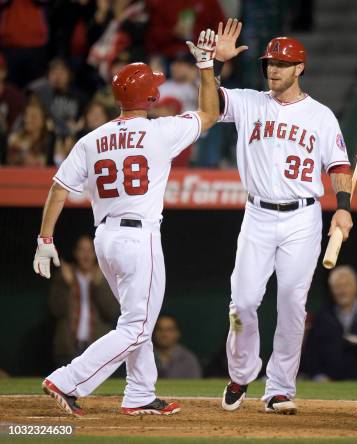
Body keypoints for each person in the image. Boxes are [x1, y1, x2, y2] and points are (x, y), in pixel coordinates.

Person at [33, 28, 220, 416]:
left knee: (137, 319)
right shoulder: (159, 131)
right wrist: (205, 65)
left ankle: (139, 394)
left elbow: (58, 188)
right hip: (139, 239)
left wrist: (45, 238)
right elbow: (209, 113)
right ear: (149, 97)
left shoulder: (91, 138)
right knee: (136, 326)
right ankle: (67, 380)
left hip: (104, 240)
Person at [212, 19, 353, 415]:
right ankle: (241, 372)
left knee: (293, 303)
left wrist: (343, 208)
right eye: (269, 63)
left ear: (299, 68)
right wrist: (213, 68)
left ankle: (278, 388)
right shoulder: (249, 101)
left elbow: (339, 165)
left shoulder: (321, 115)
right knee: (242, 303)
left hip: (302, 219)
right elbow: (209, 105)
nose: (273, 69)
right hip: (257, 214)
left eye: (282, 63)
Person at [301, 266, 357, 381]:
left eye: (346, 285)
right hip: (330, 383)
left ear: (356, 286)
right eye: (337, 287)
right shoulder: (322, 316)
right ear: (331, 290)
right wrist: (318, 375)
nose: (342, 291)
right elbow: (311, 352)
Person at [49, 235, 119, 366]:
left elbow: (110, 312)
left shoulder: (105, 277)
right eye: (82, 250)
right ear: (75, 253)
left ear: (96, 253)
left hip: (98, 348)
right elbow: (56, 310)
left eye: (90, 250)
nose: (86, 255)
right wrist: (67, 285)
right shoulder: (64, 276)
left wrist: (99, 286)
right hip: (68, 348)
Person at [153, 314, 202, 379]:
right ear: (153, 332)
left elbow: (196, 384)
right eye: (159, 329)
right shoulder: (144, 356)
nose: (164, 334)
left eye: (169, 330)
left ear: (177, 333)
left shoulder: (188, 359)